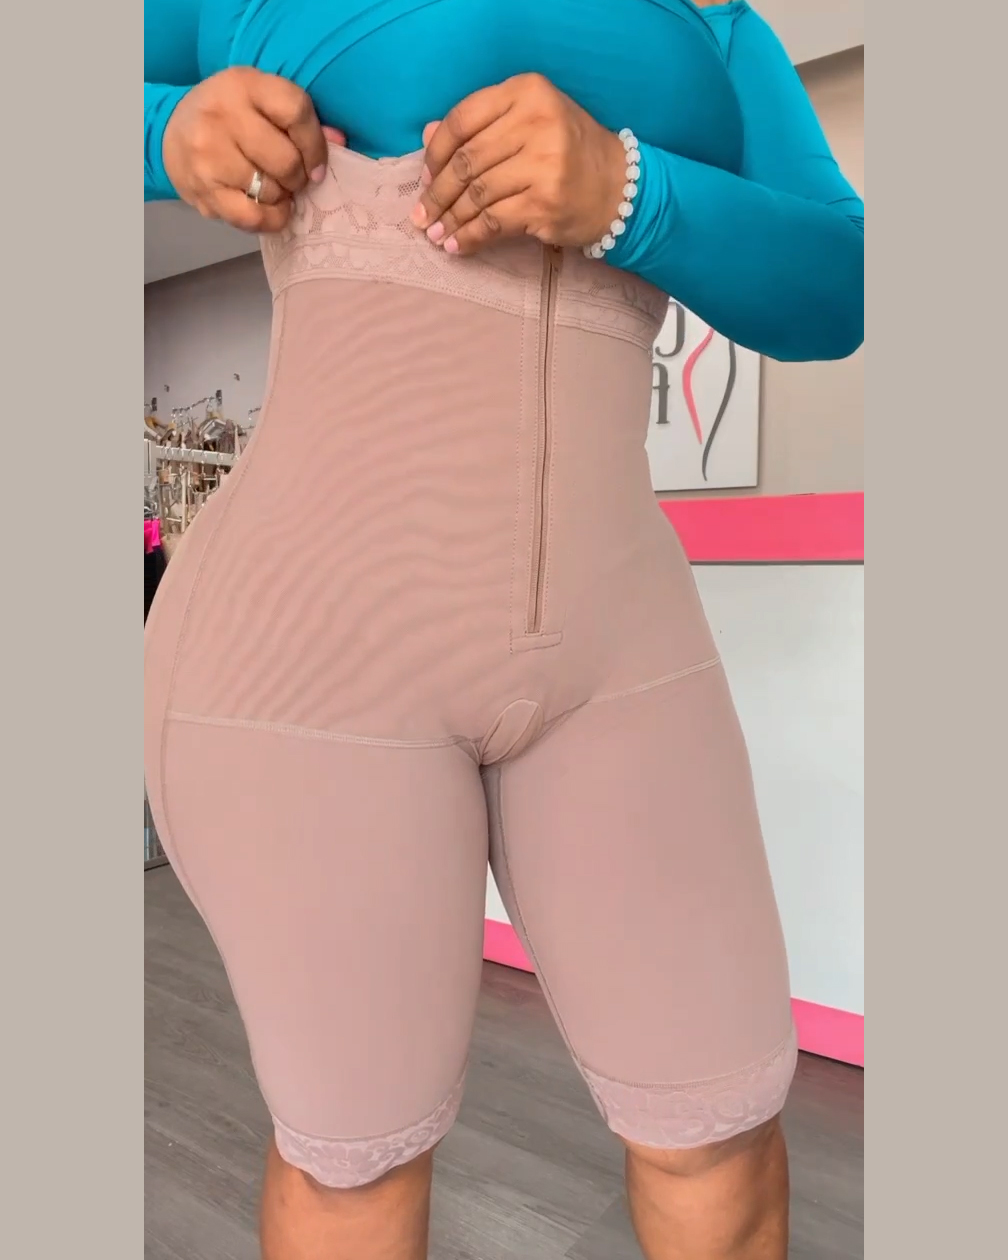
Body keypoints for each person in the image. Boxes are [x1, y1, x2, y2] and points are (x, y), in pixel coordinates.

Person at [143, 3, 864, 1258]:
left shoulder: (718, 20)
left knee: (721, 1123)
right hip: (310, 650)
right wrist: (164, 130)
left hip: (616, 645)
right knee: (354, 1158)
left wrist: (633, 194)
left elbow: (844, 286)